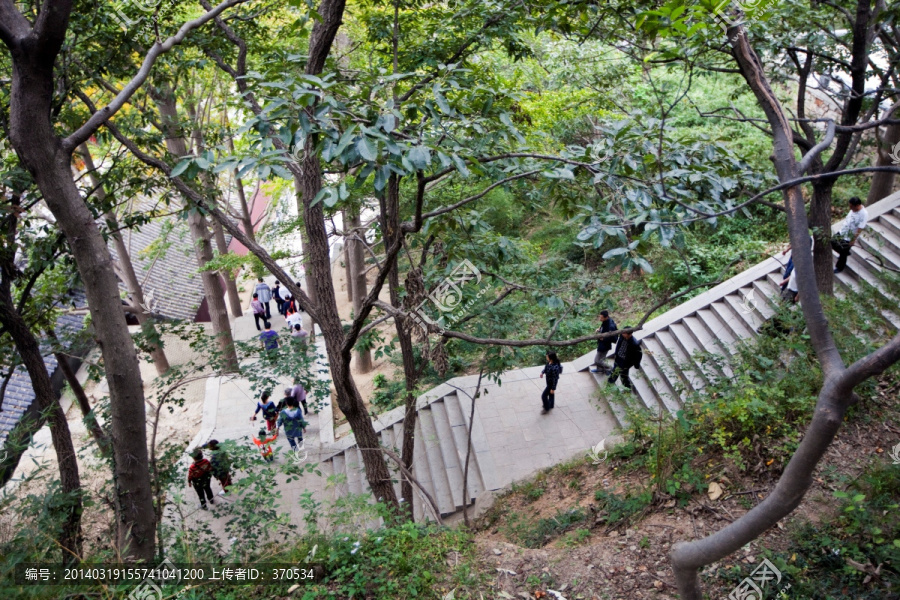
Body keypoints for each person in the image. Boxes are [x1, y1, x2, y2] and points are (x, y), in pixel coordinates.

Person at [831, 197, 868, 274]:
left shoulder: (863, 214)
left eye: (851, 206)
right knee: (832, 242)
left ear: (857, 205)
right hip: (842, 232)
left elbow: (860, 228)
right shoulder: (852, 210)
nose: (850, 208)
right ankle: (845, 251)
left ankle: (839, 267)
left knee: (843, 254)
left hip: (849, 236)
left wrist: (853, 239)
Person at [591, 310, 618, 374]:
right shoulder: (606, 321)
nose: (600, 319)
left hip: (605, 345)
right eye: (599, 317)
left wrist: (604, 339)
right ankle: (601, 369)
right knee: (602, 359)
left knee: (597, 360)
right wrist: (600, 329)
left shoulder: (611, 326)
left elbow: (614, 338)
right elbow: (604, 328)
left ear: (606, 317)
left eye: (601, 318)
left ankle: (610, 368)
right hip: (601, 344)